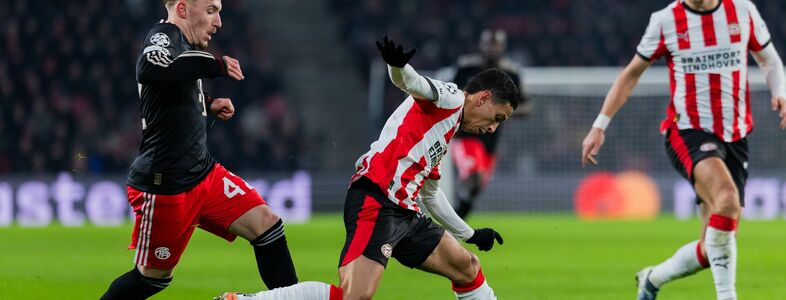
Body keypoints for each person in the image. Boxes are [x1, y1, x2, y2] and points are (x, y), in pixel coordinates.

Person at [216, 35, 520, 300]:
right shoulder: (451, 98)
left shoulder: (446, 127)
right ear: (484, 98)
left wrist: (470, 234)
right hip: (376, 200)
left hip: (405, 212)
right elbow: (412, 83)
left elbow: (430, 194)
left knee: (467, 268)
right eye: (498, 118)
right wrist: (397, 66)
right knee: (355, 295)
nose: (493, 129)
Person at [580, 0, 786, 299]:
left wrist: (779, 93)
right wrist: (599, 125)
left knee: (713, 246)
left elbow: (769, 60)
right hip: (688, 131)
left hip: (736, 137)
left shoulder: (742, 11)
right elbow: (631, 74)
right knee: (728, 201)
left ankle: (651, 278)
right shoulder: (666, 20)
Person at [99, 0, 298, 298]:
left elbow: (169, 92)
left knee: (267, 226)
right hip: (166, 186)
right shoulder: (162, 36)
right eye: (211, 11)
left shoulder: (185, 49)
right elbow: (151, 67)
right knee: (150, 279)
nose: (218, 22)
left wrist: (206, 105)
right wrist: (215, 65)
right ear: (182, 9)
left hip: (204, 174)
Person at [450, 29, 526, 219]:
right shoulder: (466, 69)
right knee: (473, 178)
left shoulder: (511, 74)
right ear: (481, 46)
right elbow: (451, 96)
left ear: (503, 47)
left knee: (475, 189)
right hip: (465, 136)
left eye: (496, 45)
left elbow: (525, 106)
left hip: (491, 142)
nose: (492, 49)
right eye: (489, 44)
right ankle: (449, 224)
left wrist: (498, 113)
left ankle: (452, 224)